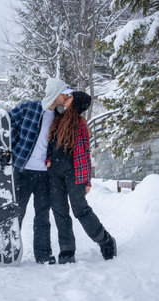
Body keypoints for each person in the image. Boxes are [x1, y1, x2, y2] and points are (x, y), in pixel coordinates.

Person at [0, 77, 73, 264]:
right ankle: (7, 251)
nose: (67, 97)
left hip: (45, 175)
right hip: (22, 171)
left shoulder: (60, 117)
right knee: (16, 213)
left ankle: (43, 255)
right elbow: (5, 122)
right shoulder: (29, 108)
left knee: (42, 215)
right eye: (64, 93)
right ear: (55, 93)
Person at [46, 91, 117, 264]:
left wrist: (87, 181)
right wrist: (48, 159)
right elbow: (49, 146)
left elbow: (84, 154)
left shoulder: (80, 125)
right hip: (54, 173)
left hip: (74, 173)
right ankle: (67, 251)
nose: (67, 98)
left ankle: (105, 240)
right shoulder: (56, 118)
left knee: (80, 210)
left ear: (75, 103)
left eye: (70, 98)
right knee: (59, 212)